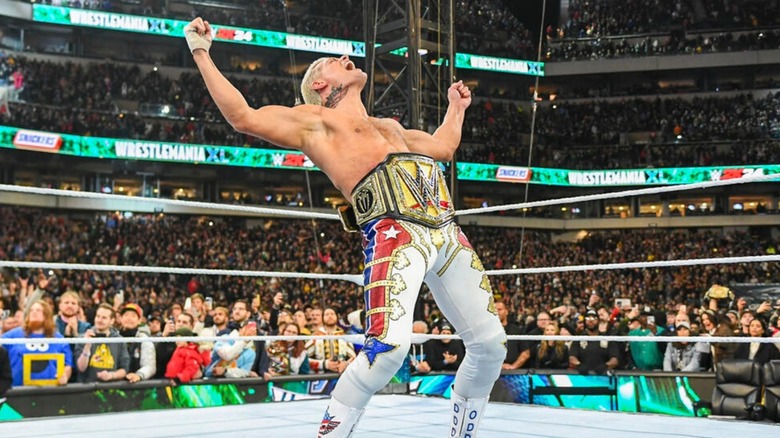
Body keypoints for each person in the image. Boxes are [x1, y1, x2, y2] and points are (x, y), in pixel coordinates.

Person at [185, 17, 506, 438]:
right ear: (319, 84)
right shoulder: (316, 122)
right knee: (387, 349)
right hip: (396, 234)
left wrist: (456, 109)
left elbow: (443, 147)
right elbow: (243, 116)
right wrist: (201, 51)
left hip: (447, 233)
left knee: (490, 345)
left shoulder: (390, 127)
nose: (346, 57)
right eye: (334, 62)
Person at [1, 300, 73, 386]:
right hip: (17, 390)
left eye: (38, 310)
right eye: (31, 310)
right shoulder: (13, 335)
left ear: (46, 315)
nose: (34, 312)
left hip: (49, 390)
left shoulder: (58, 339)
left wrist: (65, 376)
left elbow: (68, 364)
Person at [76, 303, 130, 383]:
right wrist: (87, 346)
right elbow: (81, 368)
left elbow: (124, 369)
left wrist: (111, 375)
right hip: (86, 388)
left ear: (112, 321)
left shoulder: (119, 341)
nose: (99, 320)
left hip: (110, 389)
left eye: (104, 318)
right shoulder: (83, 338)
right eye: (98, 316)